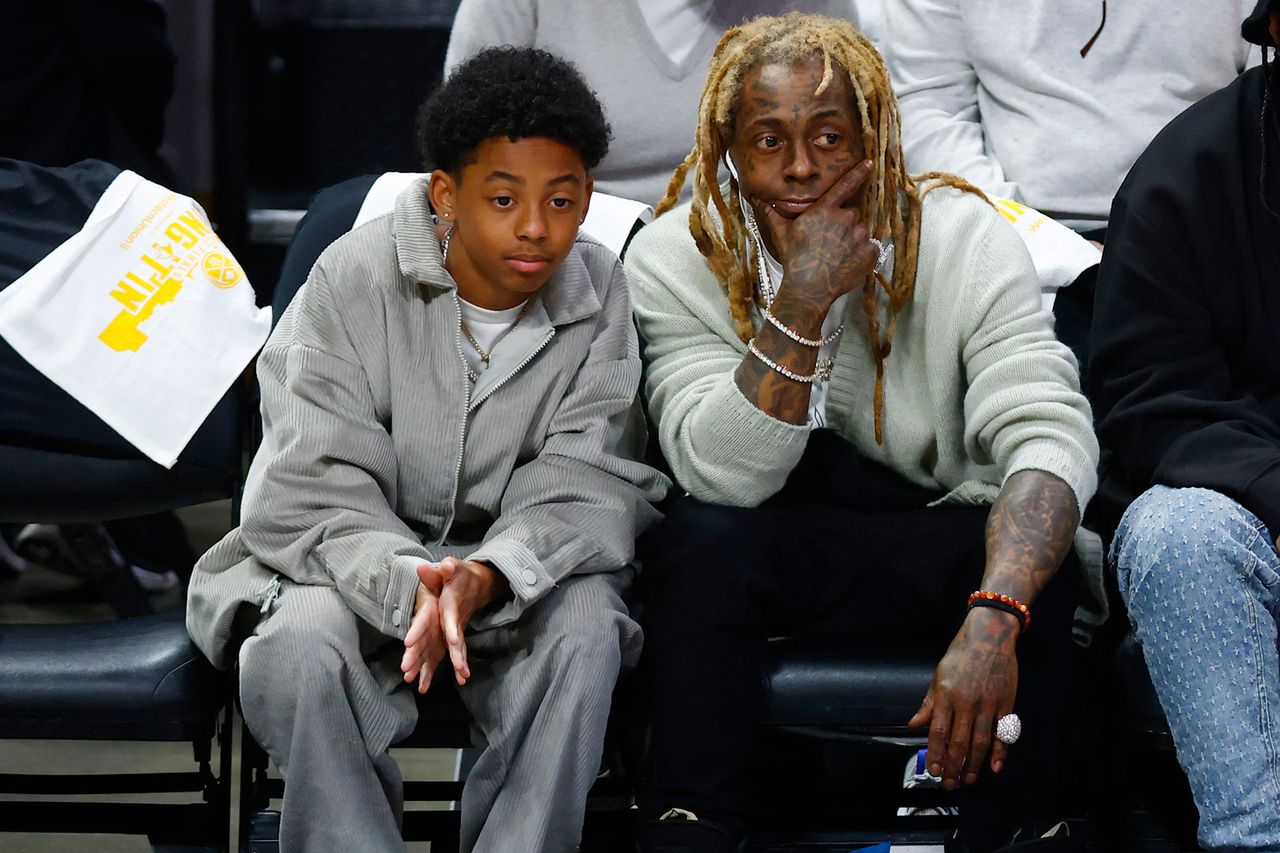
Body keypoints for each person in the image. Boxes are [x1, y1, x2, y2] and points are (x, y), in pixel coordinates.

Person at [624, 13, 1098, 853]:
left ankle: (1028, 833)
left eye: (828, 136)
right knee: (698, 544)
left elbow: (1047, 438)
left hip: (941, 529)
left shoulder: (963, 237)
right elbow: (721, 475)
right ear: (728, 150)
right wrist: (802, 303)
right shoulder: (672, 257)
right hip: (779, 536)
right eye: (769, 140)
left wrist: (995, 617)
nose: (801, 166)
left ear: (872, 139)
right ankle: (691, 826)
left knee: (1038, 558)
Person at [185, 47, 668, 852]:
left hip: (518, 575)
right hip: (340, 565)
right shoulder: (349, 279)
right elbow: (311, 476)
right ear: (446, 194)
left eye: (563, 198)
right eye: (504, 197)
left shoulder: (600, 292)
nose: (536, 228)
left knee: (588, 627)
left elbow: (592, 476)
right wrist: (411, 579)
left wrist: (490, 571)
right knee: (300, 644)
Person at [1088, 3, 1280, 849]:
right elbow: (1151, 393)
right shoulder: (1191, 169)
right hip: (1251, 505)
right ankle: (1255, 835)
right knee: (1176, 531)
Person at [886, 0, 1256, 237]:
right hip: (1016, 236)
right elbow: (928, 107)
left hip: (1209, 233)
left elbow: (1266, 113)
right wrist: (1029, 241)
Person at [444, 0, 864, 208]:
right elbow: (469, 162)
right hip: (566, 261)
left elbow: (849, 158)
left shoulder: (816, 8)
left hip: (751, 260)